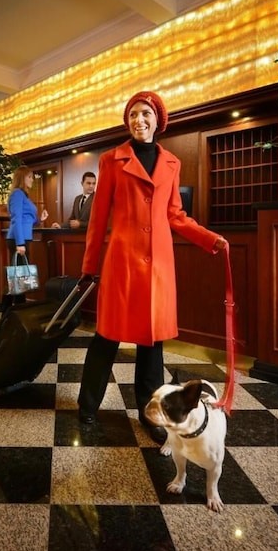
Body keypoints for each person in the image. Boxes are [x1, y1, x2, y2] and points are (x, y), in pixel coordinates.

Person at [77, 91, 228, 444]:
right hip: (122, 263)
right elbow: (98, 218)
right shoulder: (112, 160)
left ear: (158, 120)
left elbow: (176, 215)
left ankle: (150, 414)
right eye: (133, 114)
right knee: (106, 338)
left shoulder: (171, 163)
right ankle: (87, 406)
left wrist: (210, 239)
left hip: (158, 265)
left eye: (145, 113)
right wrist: (89, 265)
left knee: (152, 344)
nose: (139, 120)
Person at [5, 166, 49, 305]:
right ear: (21, 178)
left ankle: (16, 309)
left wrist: (40, 219)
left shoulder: (24, 196)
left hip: (23, 239)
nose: (32, 180)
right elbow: (16, 219)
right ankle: (14, 310)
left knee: (20, 278)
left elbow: (28, 219)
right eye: (29, 177)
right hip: (18, 239)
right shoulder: (17, 194)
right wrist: (20, 243)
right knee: (19, 279)